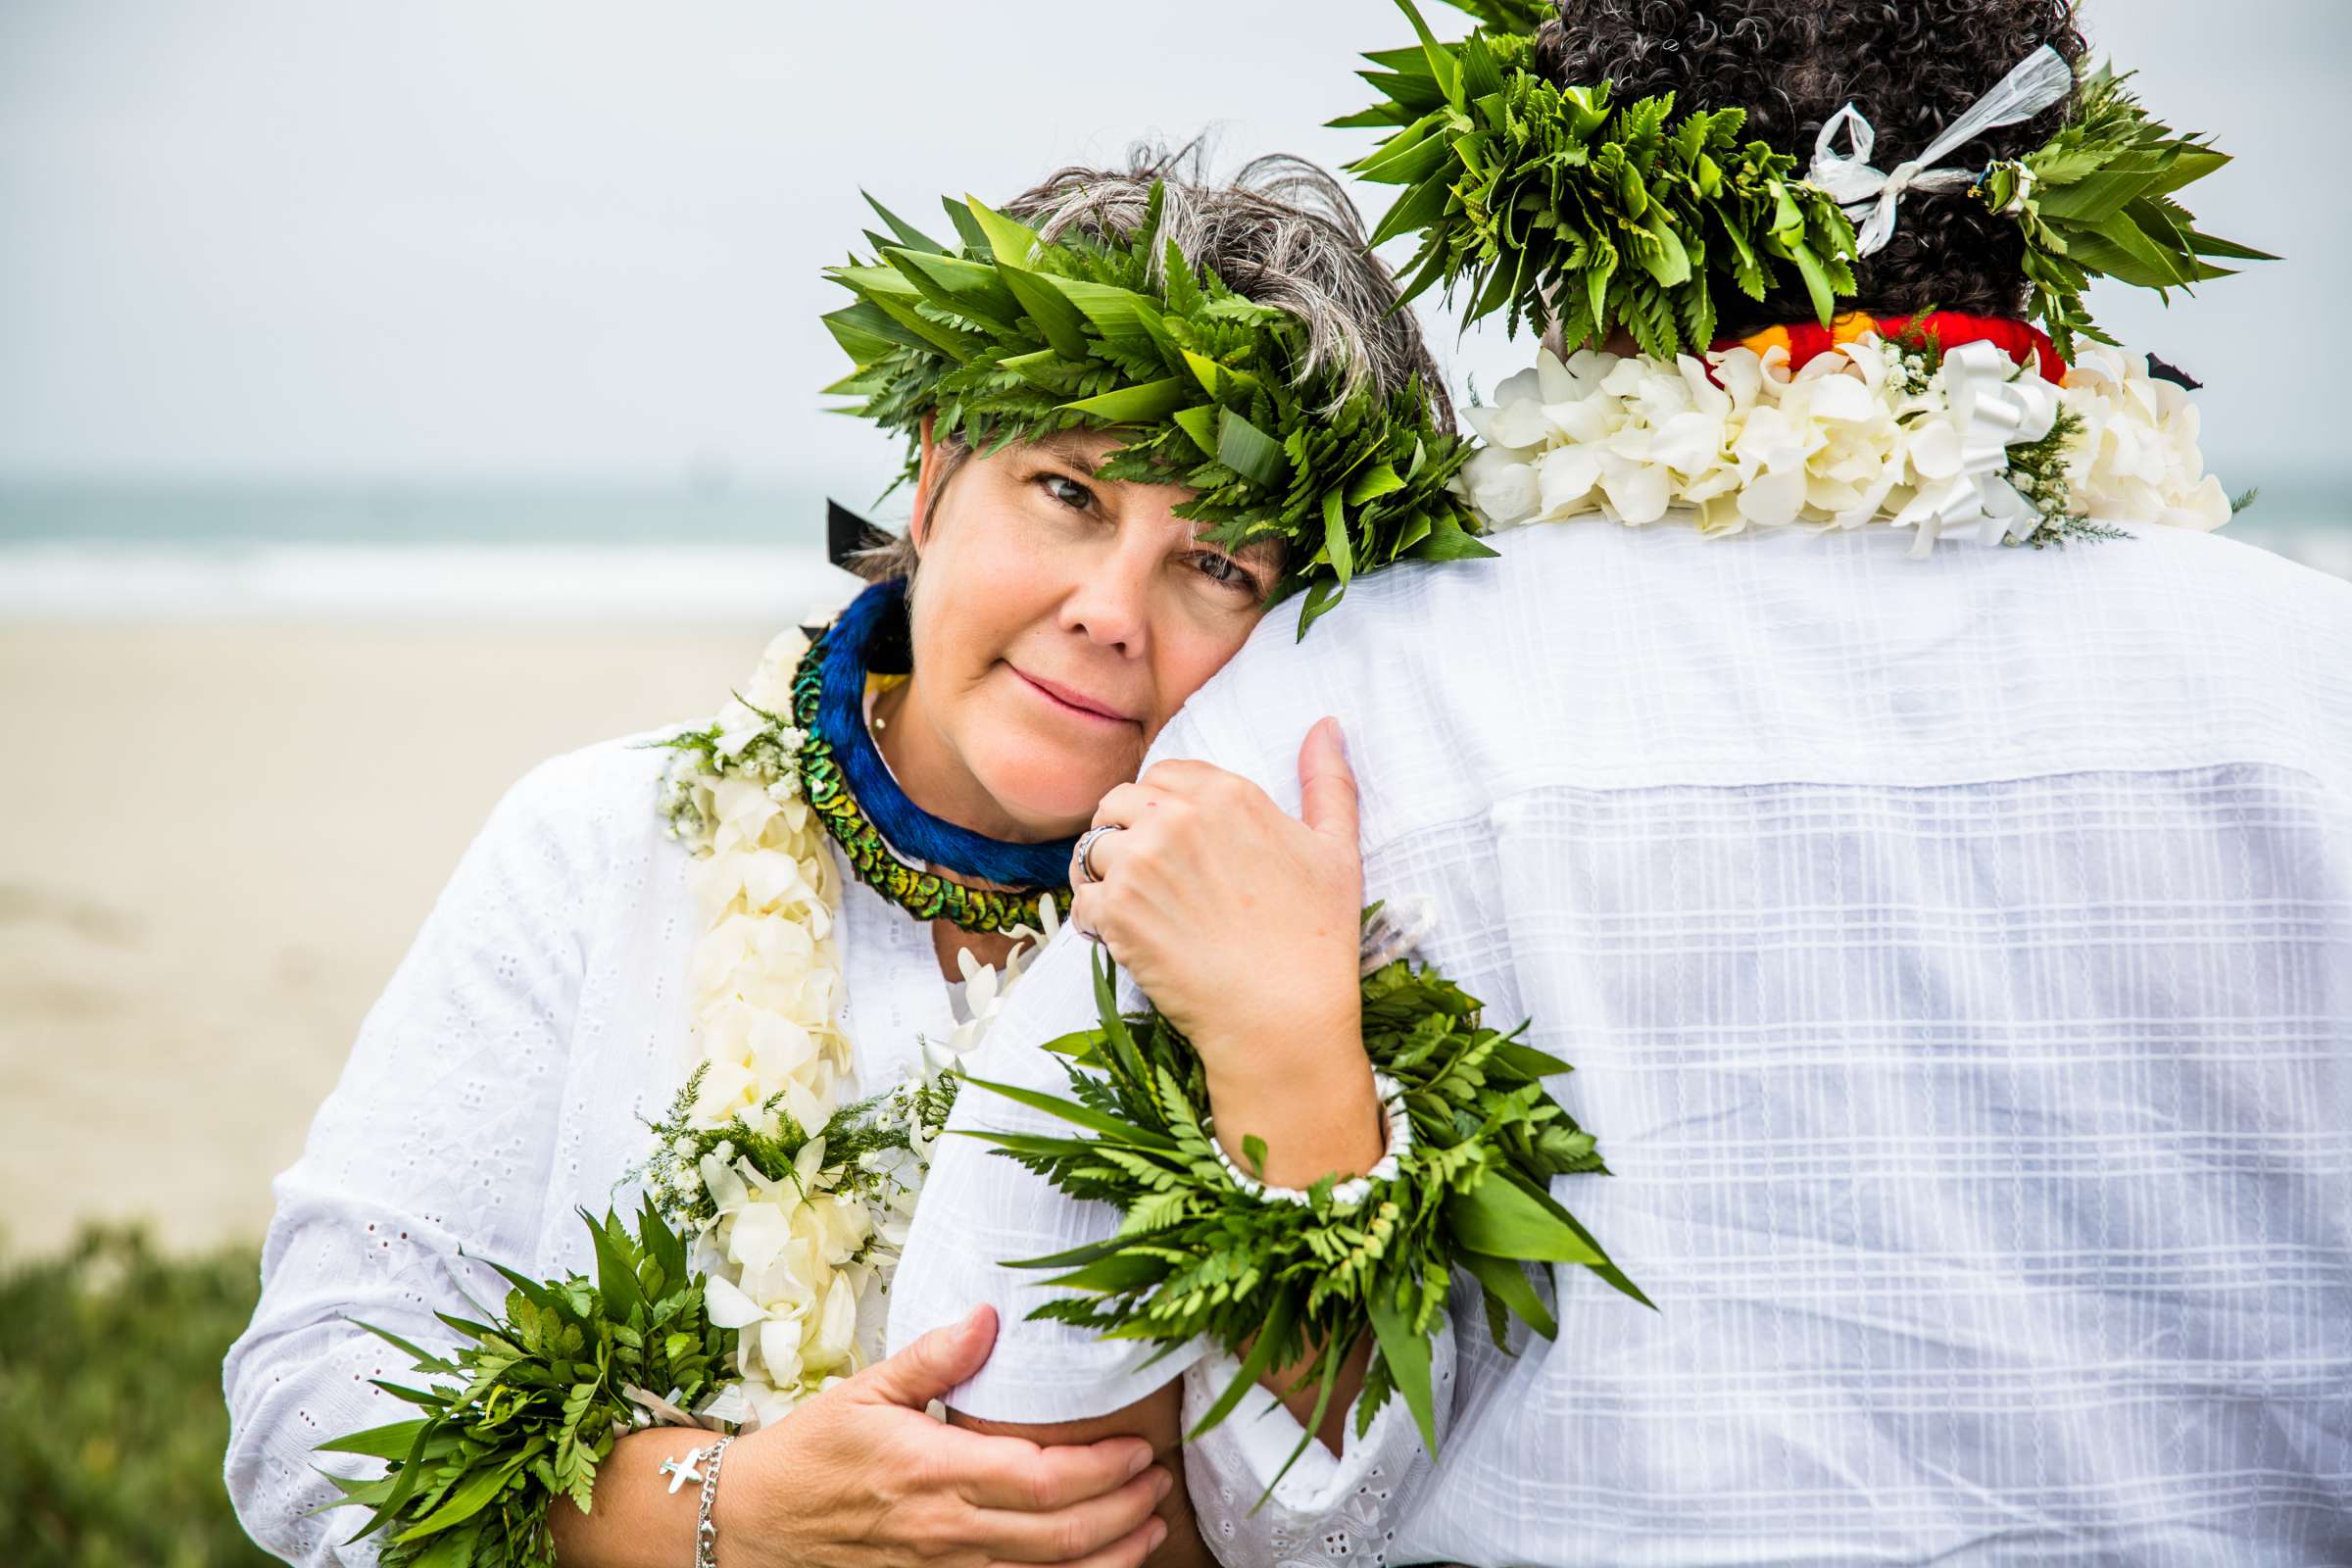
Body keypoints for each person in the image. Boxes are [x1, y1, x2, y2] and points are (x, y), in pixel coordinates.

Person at [885, 3, 2352, 1564]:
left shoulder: (1339, 721)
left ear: (1557, 208)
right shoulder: (2311, 682)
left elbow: (1019, 1433)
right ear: (2046, 191)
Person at [221, 147, 1483, 1567]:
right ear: (936, 477)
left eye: (1223, 566)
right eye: (1069, 491)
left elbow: (1375, 1516)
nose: (1111, 611)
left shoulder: (1346, 939)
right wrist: (727, 1514)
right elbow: (314, 1412)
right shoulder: (598, 841)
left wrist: (1287, 1046)